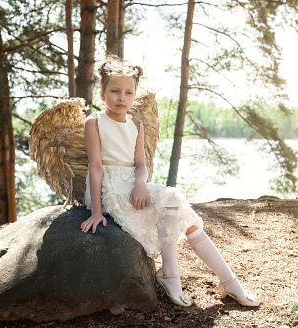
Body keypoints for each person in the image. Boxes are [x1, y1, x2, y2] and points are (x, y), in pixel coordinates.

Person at [80, 56, 259, 308]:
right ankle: (175, 277)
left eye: (128, 92)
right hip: (109, 188)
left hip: (132, 185)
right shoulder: (95, 122)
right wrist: (96, 212)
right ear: (102, 93)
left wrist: (140, 184)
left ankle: (226, 279)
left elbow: (141, 166)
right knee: (173, 203)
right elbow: (95, 167)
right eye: (115, 91)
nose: (122, 97)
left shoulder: (136, 124)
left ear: (134, 95)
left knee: (180, 211)